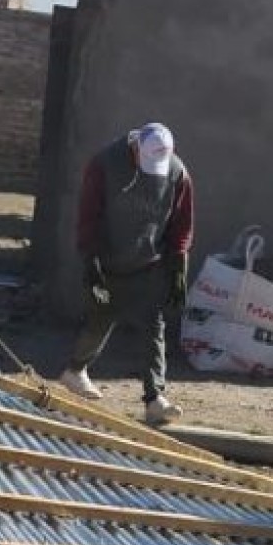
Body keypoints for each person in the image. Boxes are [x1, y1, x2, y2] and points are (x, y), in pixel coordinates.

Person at [57, 122, 195, 426]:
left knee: (153, 328)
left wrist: (178, 263)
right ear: (135, 147)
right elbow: (88, 212)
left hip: (150, 263)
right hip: (108, 262)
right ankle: (75, 370)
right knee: (100, 321)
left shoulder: (176, 171)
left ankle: (155, 398)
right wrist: (90, 257)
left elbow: (181, 221)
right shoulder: (105, 164)